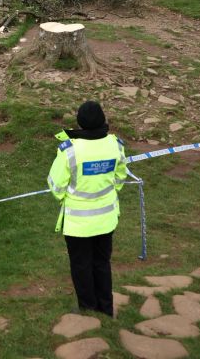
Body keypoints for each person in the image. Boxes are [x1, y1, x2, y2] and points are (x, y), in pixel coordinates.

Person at [47, 101, 130, 317]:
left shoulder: (69, 151)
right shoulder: (116, 145)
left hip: (77, 225)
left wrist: (69, 197)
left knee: (81, 265)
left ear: (80, 122)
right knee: (102, 263)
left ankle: (88, 308)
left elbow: (56, 187)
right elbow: (121, 176)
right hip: (107, 219)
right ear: (103, 120)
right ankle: (106, 307)